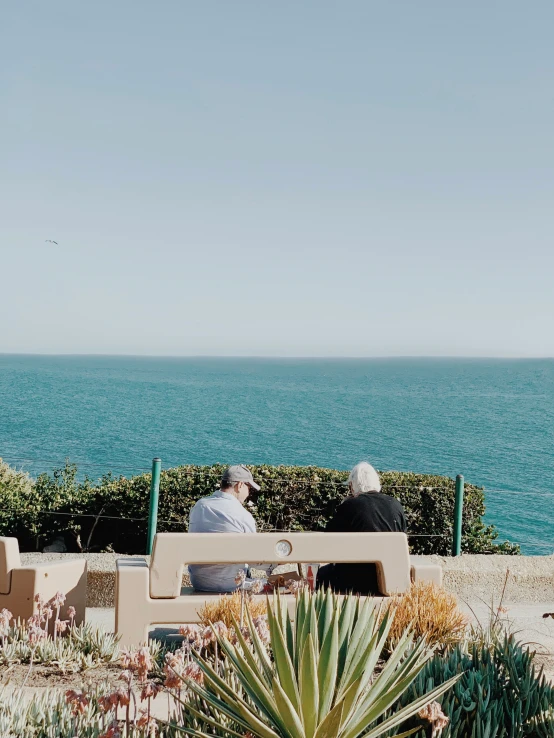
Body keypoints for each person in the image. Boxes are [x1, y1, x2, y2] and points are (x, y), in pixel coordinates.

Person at [316, 461, 407, 595]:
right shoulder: (395, 505)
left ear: (352, 486)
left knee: (319, 575)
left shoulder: (351, 506)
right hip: (388, 580)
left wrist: (345, 504)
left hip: (352, 581)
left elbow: (328, 542)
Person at [188, 464, 274, 592]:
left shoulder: (199, 506)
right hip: (232, 585)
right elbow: (255, 558)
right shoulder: (243, 515)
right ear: (239, 485)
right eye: (249, 487)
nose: (249, 493)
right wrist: (274, 564)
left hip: (199, 583)